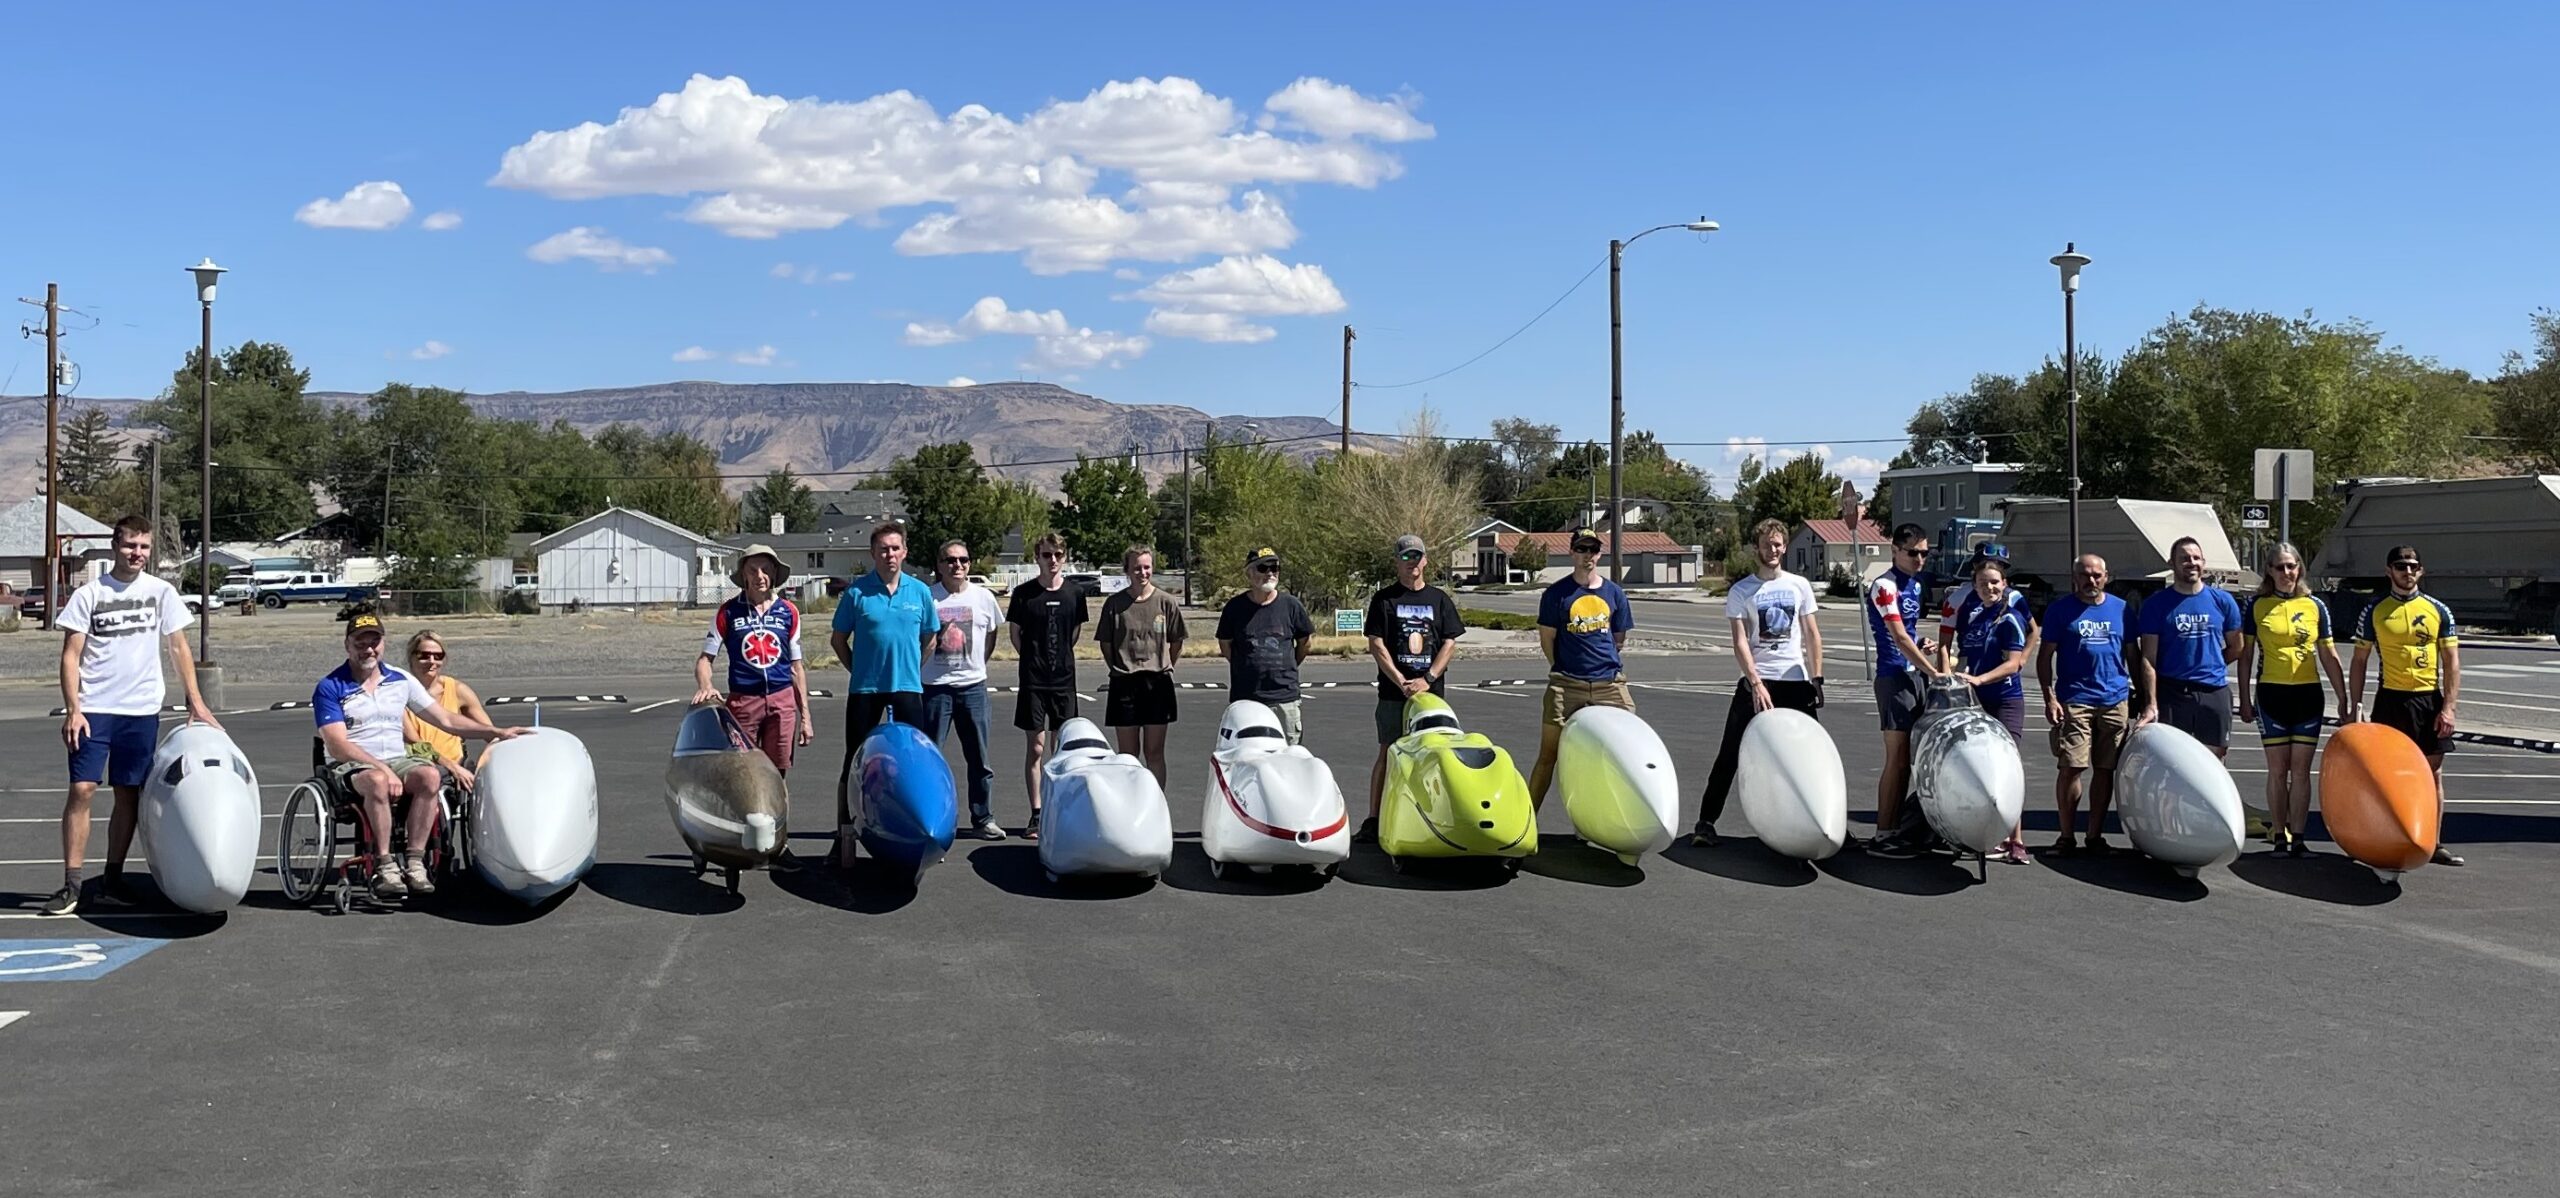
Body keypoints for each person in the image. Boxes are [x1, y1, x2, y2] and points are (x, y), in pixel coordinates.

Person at [45, 516, 222, 916]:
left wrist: (195, 700)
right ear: (115, 547)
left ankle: (112, 880)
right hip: (94, 709)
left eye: (143, 547)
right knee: (82, 790)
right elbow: (71, 656)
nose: (136, 553)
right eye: (130, 545)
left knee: (129, 793)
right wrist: (74, 709)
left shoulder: (161, 592)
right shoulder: (89, 595)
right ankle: (72, 884)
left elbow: (178, 647)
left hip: (140, 711)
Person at [315, 606, 523, 900]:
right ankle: (385, 865)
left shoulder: (400, 680)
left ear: (383, 643)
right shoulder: (330, 687)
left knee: (429, 776)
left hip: (397, 759)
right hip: (351, 764)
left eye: (374, 641)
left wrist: (495, 731)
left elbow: (445, 719)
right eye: (360, 642)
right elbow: (338, 744)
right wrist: (383, 770)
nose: (368, 649)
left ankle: (415, 862)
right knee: (377, 781)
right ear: (347, 645)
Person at [1691, 519, 1823, 847]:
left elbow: (1811, 634)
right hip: (1758, 682)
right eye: (1767, 544)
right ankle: (1706, 822)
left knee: (1811, 756)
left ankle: (1823, 821)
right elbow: (1740, 642)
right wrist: (1755, 681)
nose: (1772, 550)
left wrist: (1816, 677)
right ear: (1757, 548)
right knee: (1730, 754)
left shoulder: (1799, 585)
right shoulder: (1742, 591)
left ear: (1785, 546)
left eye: (1778, 544)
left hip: (1795, 682)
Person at [830, 522, 940, 864]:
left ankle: (917, 834)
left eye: (895, 548)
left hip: (907, 689)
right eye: (882, 549)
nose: (889, 554)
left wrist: (911, 669)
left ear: (904, 552)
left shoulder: (919, 592)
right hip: (866, 690)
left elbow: (930, 639)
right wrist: (859, 669)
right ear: (872, 553)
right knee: (854, 761)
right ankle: (844, 835)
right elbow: (838, 640)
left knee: (914, 762)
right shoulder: (857, 593)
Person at [2349, 545, 2465, 867]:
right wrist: (2355, 704)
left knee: (2432, 774)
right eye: (2401, 566)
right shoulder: (2374, 610)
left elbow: (2452, 662)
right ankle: (2380, 840)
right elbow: (2359, 661)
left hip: (2428, 700)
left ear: (2421, 570)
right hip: (2391, 700)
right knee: (2385, 776)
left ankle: (2433, 843)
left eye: (2413, 566)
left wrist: (2449, 708)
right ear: (2389, 571)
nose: (2408, 572)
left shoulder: (2438, 610)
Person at [2235, 542, 2347, 856]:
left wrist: (2343, 698)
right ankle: (2279, 836)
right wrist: (2244, 699)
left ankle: (2297, 838)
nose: (2287, 572)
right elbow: (2246, 657)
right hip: (2271, 695)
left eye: (2292, 566)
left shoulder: (2315, 606)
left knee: (2300, 771)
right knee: (2277, 770)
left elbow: (2329, 654)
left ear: (2300, 569)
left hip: (2307, 695)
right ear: (2269, 571)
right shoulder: (2256, 605)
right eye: (2280, 567)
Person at [1358, 534, 1464, 843]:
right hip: (1395, 694)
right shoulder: (1384, 600)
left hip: (1430, 696)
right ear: (1397, 561)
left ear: (1425, 560)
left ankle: (1435, 816)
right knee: (1389, 751)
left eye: (1416, 556)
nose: (1412, 563)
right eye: (1405, 557)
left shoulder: (1439, 600)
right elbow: (1376, 644)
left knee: (1434, 754)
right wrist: (1400, 680)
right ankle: (1374, 818)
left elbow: (1449, 643)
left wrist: (1427, 679)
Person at [1526, 527, 1635, 808]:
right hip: (1567, 685)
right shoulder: (1556, 594)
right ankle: (1526, 819)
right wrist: (1560, 668)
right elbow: (1547, 639)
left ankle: (1618, 815)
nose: (1588, 555)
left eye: (1593, 549)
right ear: (1572, 552)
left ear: (1600, 554)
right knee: (1548, 755)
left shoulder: (1615, 593)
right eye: (1582, 549)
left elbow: (1619, 639)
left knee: (1629, 749)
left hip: (1609, 684)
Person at [2036, 554, 2134, 856]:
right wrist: (2050, 697)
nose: (2091, 580)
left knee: (2105, 769)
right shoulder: (2060, 611)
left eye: (2096, 575)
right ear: (2074, 578)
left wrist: (2144, 698)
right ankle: (2066, 837)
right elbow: (2044, 657)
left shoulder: (2122, 609)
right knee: (2072, 767)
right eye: (2084, 575)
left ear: (2106, 577)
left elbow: (2133, 655)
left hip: (2114, 700)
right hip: (2075, 700)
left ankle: (2095, 836)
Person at [1939, 557, 2034, 864]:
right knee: (1980, 767)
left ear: (2004, 584)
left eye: (1994, 582)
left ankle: (2015, 840)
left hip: (2005, 699)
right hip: (1975, 701)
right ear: (1975, 586)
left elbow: (2013, 663)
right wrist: (1957, 676)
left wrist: (1981, 679)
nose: (1989, 588)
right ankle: (1981, 832)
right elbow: (1964, 654)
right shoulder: (1973, 615)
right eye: (1983, 583)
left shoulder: (2010, 618)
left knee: (2008, 766)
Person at [691, 544, 811, 775]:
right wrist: (706, 685)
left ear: (774, 573)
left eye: (765, 570)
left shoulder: (789, 611)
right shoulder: (727, 612)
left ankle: (777, 801)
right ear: (743, 575)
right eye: (753, 570)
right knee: (743, 771)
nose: (760, 576)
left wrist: (805, 716)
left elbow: (796, 667)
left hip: (781, 699)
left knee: (777, 771)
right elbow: (705, 660)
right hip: (744, 700)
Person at [1863, 523, 1945, 858]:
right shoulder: (1885, 585)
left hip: (1914, 674)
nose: (1920, 559)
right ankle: (1884, 833)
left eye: (1925, 553)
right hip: (1894, 677)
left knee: (1919, 759)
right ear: (1894, 550)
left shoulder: (1915, 584)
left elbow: (1909, 632)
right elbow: (1897, 636)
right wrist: (1933, 672)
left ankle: (1907, 826)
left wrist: (1922, 644)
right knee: (1897, 760)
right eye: (1913, 553)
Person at [1007, 533, 1087, 842]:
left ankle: (1061, 810)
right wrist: (1032, 660)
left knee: (1062, 749)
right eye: (1046, 555)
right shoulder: (1024, 594)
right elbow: (1016, 635)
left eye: (1057, 555)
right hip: (1033, 681)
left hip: (1064, 681)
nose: (1052, 560)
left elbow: (1074, 634)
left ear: (1064, 557)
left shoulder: (1075, 594)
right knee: (1036, 747)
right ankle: (1037, 813)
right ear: (1037, 558)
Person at [2134, 536, 2244, 759]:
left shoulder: (2222, 600)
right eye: (2184, 558)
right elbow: (2148, 659)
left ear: (2203, 562)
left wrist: (2212, 663)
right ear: (2171, 563)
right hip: (2172, 691)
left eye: (2196, 558)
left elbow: (2237, 647)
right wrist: (2151, 703)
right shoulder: (2156, 605)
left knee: (2213, 759)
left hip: (2214, 691)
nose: (2191, 563)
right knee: (2172, 759)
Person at [925, 539, 1005, 840]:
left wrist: (977, 665)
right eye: (950, 560)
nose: (957, 565)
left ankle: (983, 818)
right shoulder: (928, 597)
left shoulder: (983, 597)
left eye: (963, 560)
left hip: (973, 688)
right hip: (935, 690)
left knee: (979, 760)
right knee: (931, 760)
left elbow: (992, 634)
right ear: (939, 565)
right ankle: (932, 823)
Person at [1096, 545, 1186, 788]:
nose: (1142, 573)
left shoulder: (1166, 602)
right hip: (1124, 683)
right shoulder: (1114, 604)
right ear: (1127, 570)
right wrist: (1119, 667)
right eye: (1136, 568)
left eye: (1147, 567)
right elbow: (1106, 644)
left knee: (1154, 753)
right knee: (1128, 756)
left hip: (1158, 683)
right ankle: (1129, 802)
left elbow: (1177, 641)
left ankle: (1156, 802)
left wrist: (1165, 664)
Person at [1215, 546, 1316, 744]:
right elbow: (1225, 644)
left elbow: (1305, 642)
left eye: (1274, 568)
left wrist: (1289, 664)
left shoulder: (1291, 605)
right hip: (1246, 698)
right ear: (1249, 573)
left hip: (1284, 697)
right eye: (1263, 568)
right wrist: (1245, 665)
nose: (1270, 573)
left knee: (1288, 755)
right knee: (1247, 753)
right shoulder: (1235, 608)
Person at [402, 631, 495, 790]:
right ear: (411, 657)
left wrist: (484, 765)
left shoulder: (458, 690)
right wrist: (451, 767)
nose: (431, 661)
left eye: (438, 656)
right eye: (424, 655)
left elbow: (490, 734)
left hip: (457, 767)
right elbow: (414, 742)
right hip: (420, 768)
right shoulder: (398, 693)